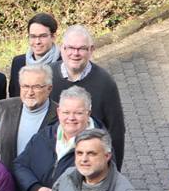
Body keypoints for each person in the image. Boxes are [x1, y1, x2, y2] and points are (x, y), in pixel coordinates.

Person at [49, 25, 126, 168]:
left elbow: (115, 131)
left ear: (91, 50)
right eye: (70, 48)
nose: (75, 53)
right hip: (52, 162)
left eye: (82, 49)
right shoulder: (48, 77)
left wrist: (114, 172)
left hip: (90, 166)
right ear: (62, 49)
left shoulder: (105, 83)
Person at [0, 65, 57, 173]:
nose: (30, 92)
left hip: (40, 186)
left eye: (36, 87)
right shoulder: (4, 107)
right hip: (7, 182)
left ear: (49, 88)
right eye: (25, 86)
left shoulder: (61, 114)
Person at [8, 12, 59, 99]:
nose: (37, 41)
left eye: (43, 36)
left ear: (53, 37)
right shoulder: (18, 62)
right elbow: (14, 96)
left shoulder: (63, 64)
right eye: (33, 36)